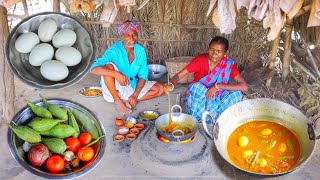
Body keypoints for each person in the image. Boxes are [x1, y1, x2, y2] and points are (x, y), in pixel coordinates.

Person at [165, 36, 248, 123]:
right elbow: (178, 76)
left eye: (219, 51)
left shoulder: (228, 64)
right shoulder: (200, 60)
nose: (214, 54)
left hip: (219, 99)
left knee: (236, 94)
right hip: (201, 98)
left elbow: (244, 87)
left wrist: (218, 86)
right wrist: (171, 84)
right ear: (208, 49)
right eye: (211, 50)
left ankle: (219, 119)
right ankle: (199, 120)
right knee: (197, 88)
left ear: (225, 52)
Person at [90, 20, 164, 115]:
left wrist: (135, 95)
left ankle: (130, 100)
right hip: (114, 90)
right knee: (109, 67)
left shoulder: (140, 50)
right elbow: (93, 68)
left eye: (134, 35)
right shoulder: (114, 51)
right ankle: (118, 101)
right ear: (122, 37)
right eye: (127, 35)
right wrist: (116, 74)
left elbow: (143, 76)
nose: (132, 38)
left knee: (160, 89)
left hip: (130, 85)